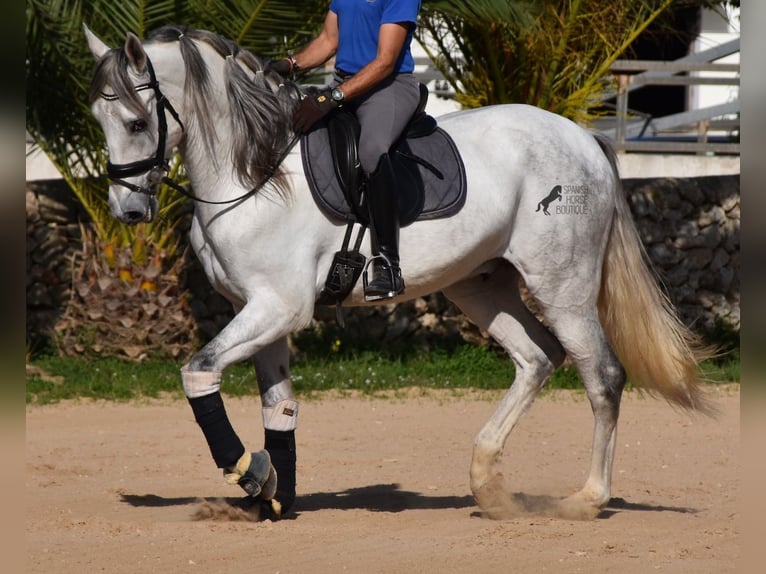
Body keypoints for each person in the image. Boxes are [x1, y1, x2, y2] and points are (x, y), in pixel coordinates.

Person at [269, 0, 423, 300]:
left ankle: (389, 264)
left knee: (371, 149)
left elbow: (385, 62)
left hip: (388, 86)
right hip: (344, 83)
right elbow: (329, 40)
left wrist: (331, 99)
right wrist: (288, 64)